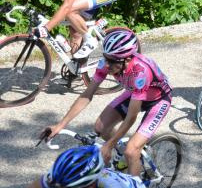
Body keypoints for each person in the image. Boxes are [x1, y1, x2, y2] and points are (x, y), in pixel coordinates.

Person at [41, 29, 171, 178]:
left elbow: (131, 117)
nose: (106, 65)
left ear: (127, 60)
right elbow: (87, 95)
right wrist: (60, 125)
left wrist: (109, 145)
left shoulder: (141, 73)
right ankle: (126, 156)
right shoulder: (107, 63)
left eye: (112, 61)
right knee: (100, 127)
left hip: (158, 100)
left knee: (131, 150)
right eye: (106, 58)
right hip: (135, 93)